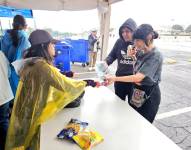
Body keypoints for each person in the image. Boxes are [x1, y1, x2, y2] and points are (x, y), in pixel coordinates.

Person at [5, 30, 86, 150]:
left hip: (26, 111)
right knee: (33, 142)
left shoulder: (31, 62)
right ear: (44, 46)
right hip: (34, 113)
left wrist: (64, 73)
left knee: (26, 141)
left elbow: (51, 77)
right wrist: (86, 83)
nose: (54, 47)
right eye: (52, 44)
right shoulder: (42, 66)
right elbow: (66, 86)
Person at [106, 24, 163, 123]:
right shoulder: (142, 51)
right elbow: (136, 69)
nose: (135, 44)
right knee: (133, 120)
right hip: (138, 91)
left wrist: (114, 78)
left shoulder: (155, 55)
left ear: (148, 38)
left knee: (143, 124)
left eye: (137, 40)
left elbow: (138, 77)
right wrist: (133, 58)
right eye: (134, 40)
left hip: (149, 94)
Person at [105, 18, 137, 101]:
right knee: (118, 104)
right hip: (119, 80)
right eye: (122, 32)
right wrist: (106, 62)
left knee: (133, 108)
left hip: (133, 82)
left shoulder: (138, 43)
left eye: (127, 31)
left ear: (134, 31)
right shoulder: (119, 42)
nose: (124, 34)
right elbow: (112, 56)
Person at [1, 15, 30, 96]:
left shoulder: (4, 37)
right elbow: (23, 55)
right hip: (17, 71)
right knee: (18, 98)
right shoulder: (23, 37)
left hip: (4, 71)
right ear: (24, 26)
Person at [0, 51, 14, 150]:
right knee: (4, 122)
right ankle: (8, 146)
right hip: (5, 94)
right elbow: (9, 73)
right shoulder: (1, 53)